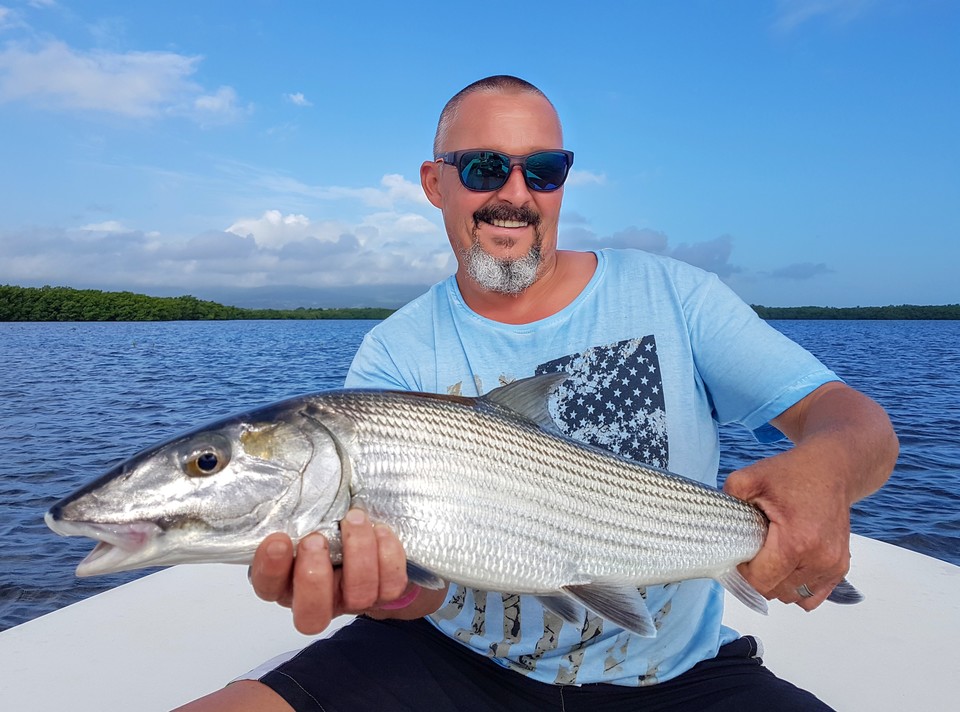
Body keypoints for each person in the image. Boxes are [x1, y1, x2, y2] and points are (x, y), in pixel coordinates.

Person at [178, 75, 898, 711]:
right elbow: (423, 590)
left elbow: (852, 421)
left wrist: (826, 472)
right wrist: (378, 588)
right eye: (485, 167)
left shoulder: (673, 293)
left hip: (678, 678)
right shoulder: (395, 351)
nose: (515, 195)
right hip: (457, 663)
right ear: (435, 183)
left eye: (544, 170)